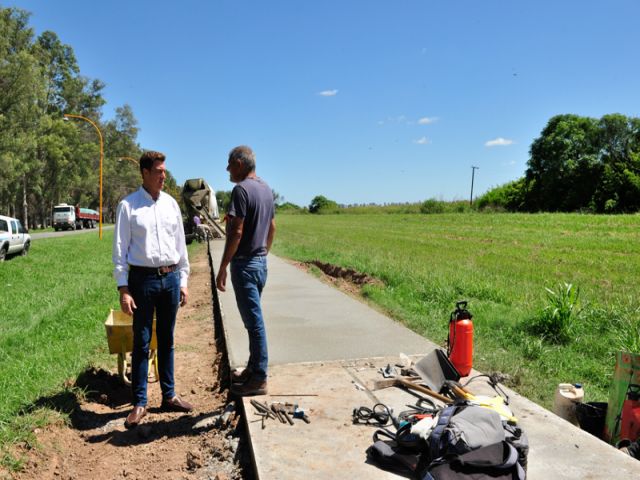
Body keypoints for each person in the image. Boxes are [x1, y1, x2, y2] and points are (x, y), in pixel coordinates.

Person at [113, 150, 193, 428]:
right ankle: (139, 403)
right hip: (142, 281)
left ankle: (169, 396)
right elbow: (120, 251)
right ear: (144, 173)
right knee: (142, 341)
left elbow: (180, 246)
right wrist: (124, 289)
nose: (163, 175)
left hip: (170, 279)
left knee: (168, 339)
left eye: (164, 171)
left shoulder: (171, 204)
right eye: (158, 171)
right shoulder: (128, 207)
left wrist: (183, 280)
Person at [216, 145, 276, 396]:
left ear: (240, 163)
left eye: (229, 163)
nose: (227, 168)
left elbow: (236, 231)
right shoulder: (265, 189)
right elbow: (272, 227)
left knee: (254, 323)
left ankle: (259, 378)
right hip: (260, 262)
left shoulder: (240, 190)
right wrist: (263, 253)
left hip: (245, 264)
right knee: (253, 321)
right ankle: (253, 369)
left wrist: (223, 267)